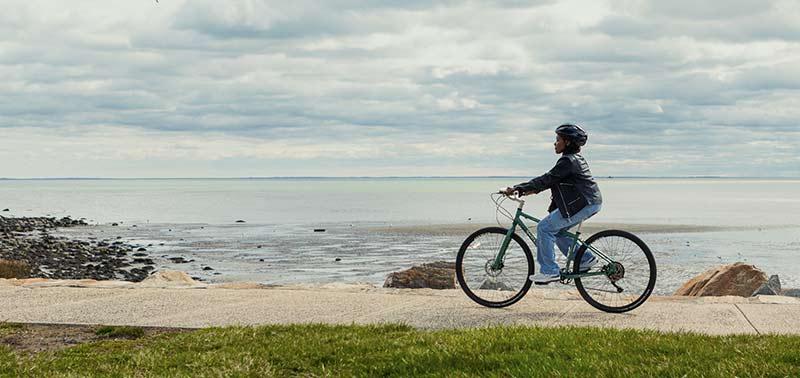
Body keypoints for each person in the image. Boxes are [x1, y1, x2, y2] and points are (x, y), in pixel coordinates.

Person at [503, 124, 603, 285]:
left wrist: (519, 189)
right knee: (558, 232)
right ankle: (585, 259)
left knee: (544, 227)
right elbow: (548, 182)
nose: (555, 143)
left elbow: (546, 179)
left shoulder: (567, 161)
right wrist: (523, 190)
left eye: (558, 140)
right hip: (589, 202)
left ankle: (550, 271)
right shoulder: (572, 160)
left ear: (568, 142)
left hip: (585, 203)